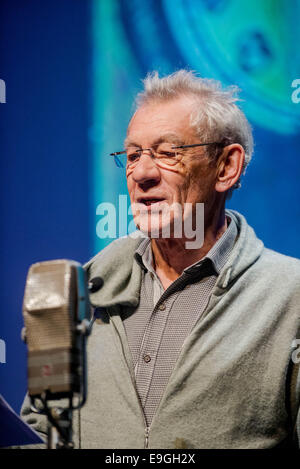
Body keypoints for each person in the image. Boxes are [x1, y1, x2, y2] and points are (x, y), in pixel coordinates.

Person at [21, 70, 300, 449]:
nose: (142, 173)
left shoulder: (291, 296)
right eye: (132, 155)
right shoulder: (84, 290)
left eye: (168, 153)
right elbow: (41, 430)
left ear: (226, 167)